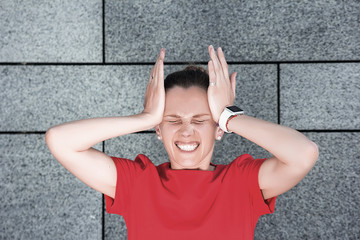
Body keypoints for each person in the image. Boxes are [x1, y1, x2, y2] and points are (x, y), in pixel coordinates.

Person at [45, 46, 319, 239]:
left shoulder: (241, 183)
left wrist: (228, 115)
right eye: (173, 120)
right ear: (159, 130)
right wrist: (145, 117)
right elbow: (60, 140)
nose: (186, 131)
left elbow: (303, 153)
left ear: (219, 129)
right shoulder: (138, 183)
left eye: (200, 120)